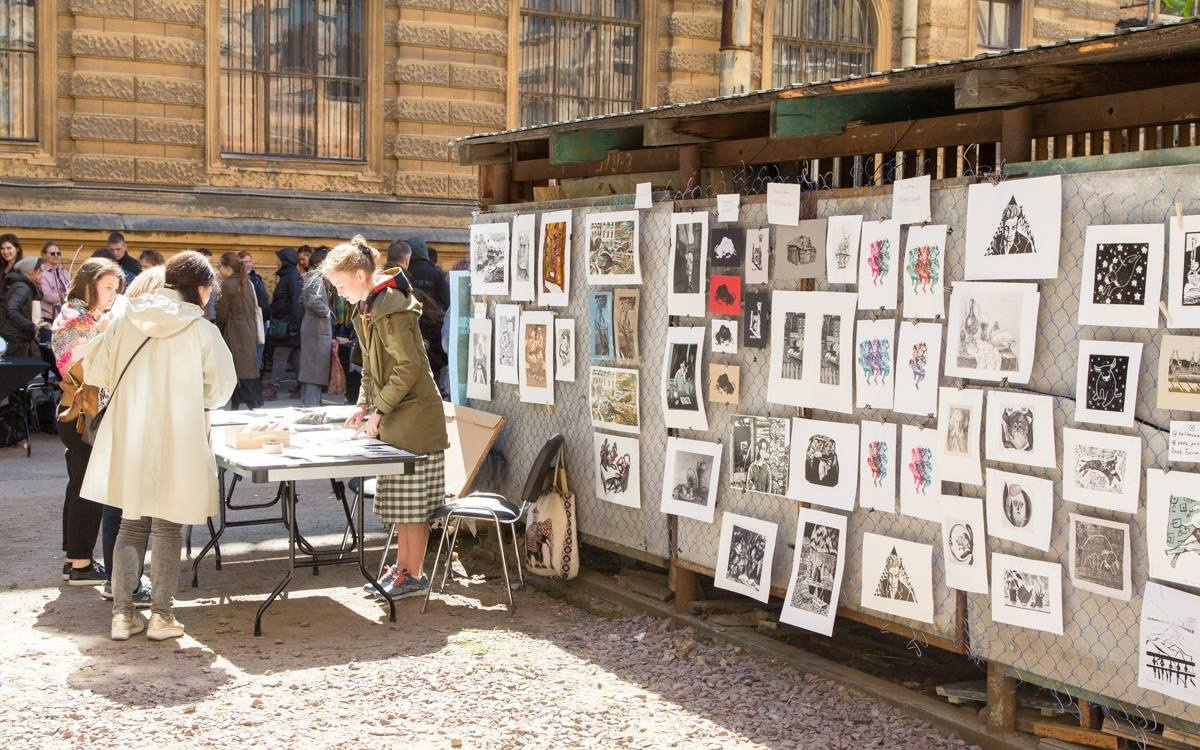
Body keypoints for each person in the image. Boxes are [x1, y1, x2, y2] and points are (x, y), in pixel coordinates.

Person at [83, 251, 236, 640]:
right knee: (167, 527)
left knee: (131, 525)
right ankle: (162, 617)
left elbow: (97, 371)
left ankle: (122, 615)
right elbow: (220, 390)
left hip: (132, 433)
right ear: (201, 289)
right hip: (178, 434)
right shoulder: (202, 330)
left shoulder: (125, 317)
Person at [319, 236, 448, 600]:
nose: (340, 293)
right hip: (398, 421)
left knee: (414, 509)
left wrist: (378, 410)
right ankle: (404, 569)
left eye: (342, 285)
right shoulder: (369, 307)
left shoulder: (392, 307)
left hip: (417, 422)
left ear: (361, 275)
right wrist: (363, 406)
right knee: (402, 507)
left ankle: (414, 573)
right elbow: (370, 371)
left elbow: (407, 368)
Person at [50, 258, 133, 590]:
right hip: (82, 413)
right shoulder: (76, 318)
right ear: (89, 285)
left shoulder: (86, 316)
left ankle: (75, 559)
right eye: (107, 287)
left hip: (78, 412)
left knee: (79, 485)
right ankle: (81, 563)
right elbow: (82, 366)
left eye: (116, 288)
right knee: (89, 489)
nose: (113, 294)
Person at [390, 237, 450, 398]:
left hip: (406, 328)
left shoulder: (401, 273)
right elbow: (447, 302)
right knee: (431, 374)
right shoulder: (437, 274)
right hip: (432, 332)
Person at [217, 252, 264, 409]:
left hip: (234, 329)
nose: (219, 269)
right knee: (248, 365)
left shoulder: (228, 284)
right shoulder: (247, 281)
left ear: (227, 267)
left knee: (236, 367)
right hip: (249, 327)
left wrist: (220, 328)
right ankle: (252, 401)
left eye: (220, 266)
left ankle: (240, 402)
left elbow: (222, 312)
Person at [266, 247, 304, 399]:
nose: (276, 262)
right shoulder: (288, 276)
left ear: (285, 261)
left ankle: (273, 387)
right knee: (294, 357)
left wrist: (294, 327)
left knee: (280, 355)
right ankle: (303, 386)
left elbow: (297, 303)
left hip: (288, 325)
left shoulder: (292, 278)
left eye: (278, 259)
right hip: (287, 324)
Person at [298, 247, 332, 406]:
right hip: (316, 329)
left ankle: (308, 405)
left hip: (314, 328)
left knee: (311, 372)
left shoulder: (312, 276)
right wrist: (327, 312)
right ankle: (311, 409)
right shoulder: (315, 278)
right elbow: (314, 301)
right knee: (315, 372)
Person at [1, 256, 47, 357]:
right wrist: (30, 325)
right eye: (40, 271)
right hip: (16, 338)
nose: (42, 275)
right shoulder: (23, 287)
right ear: (31, 272)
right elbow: (11, 309)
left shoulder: (26, 286)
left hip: (20, 337)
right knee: (18, 371)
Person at [240, 251, 270, 372]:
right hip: (250, 319)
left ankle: (256, 375)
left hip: (262, 318)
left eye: (250, 261)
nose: (248, 264)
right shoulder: (239, 280)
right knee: (251, 350)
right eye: (245, 262)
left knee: (260, 348)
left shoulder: (256, 278)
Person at [39, 242, 71, 332]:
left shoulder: (64, 272)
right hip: (48, 317)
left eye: (58, 253)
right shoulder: (41, 272)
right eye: (52, 253)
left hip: (64, 317)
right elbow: (47, 296)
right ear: (44, 255)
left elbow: (71, 288)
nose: (56, 256)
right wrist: (65, 296)